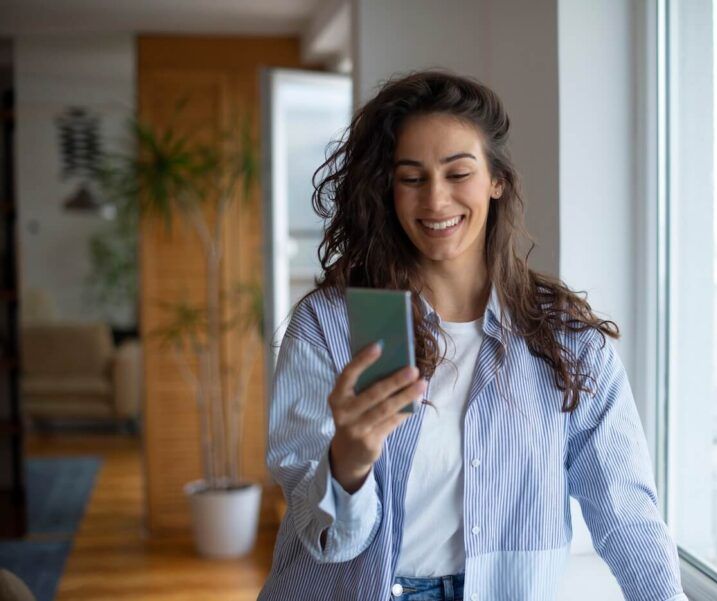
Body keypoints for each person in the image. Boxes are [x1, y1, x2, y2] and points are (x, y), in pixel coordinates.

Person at [258, 70, 687, 601]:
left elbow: (625, 508)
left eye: (457, 173)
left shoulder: (565, 338)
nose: (435, 201)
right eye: (411, 178)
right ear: (388, 190)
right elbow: (327, 541)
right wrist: (349, 460)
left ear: (496, 180)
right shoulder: (330, 326)